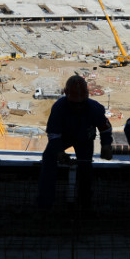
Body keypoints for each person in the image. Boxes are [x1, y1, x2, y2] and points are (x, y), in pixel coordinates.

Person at [37, 75, 113, 210]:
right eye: (74, 103)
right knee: (49, 157)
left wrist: (106, 144)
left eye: (81, 103)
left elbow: (105, 128)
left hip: (85, 138)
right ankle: (45, 203)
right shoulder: (59, 108)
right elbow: (53, 133)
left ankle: (85, 204)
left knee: (85, 167)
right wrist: (59, 151)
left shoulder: (95, 108)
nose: (78, 106)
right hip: (64, 137)